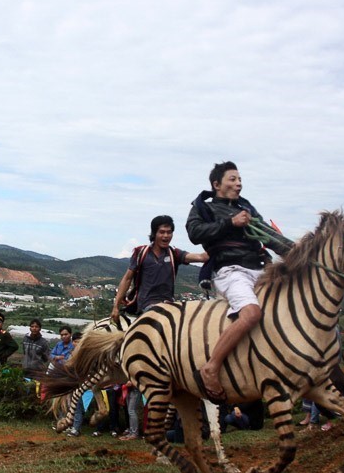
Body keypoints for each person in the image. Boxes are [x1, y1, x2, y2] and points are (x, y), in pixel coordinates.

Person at [185, 161, 294, 403]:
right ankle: (211, 367)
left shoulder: (247, 209)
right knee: (251, 313)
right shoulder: (204, 208)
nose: (239, 184)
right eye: (232, 179)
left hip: (259, 268)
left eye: (240, 179)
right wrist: (230, 223)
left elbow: (270, 236)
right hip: (229, 270)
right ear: (217, 184)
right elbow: (194, 233)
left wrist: (300, 252)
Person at [110, 215, 208, 322]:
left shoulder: (174, 253)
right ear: (154, 233)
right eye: (162, 232)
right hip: (146, 305)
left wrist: (218, 246)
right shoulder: (141, 253)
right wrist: (116, 307)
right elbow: (127, 279)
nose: (166, 236)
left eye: (169, 232)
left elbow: (201, 257)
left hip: (168, 304)